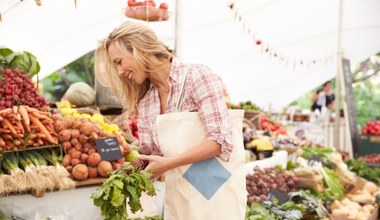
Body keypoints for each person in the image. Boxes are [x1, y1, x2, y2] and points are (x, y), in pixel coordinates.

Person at [94, 21, 246, 220]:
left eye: (119, 62)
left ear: (138, 49)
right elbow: (151, 153)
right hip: (181, 191)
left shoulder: (196, 77)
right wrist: (127, 173)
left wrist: (167, 164)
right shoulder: (147, 100)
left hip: (215, 187)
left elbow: (219, 142)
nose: (121, 71)